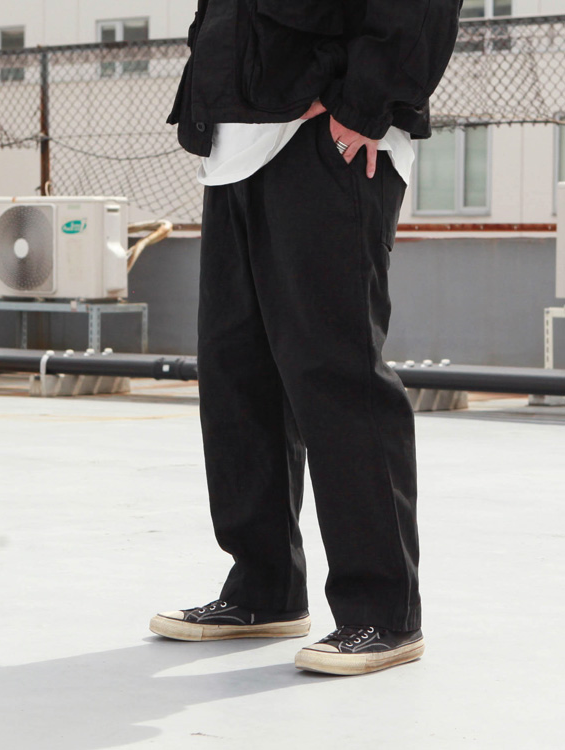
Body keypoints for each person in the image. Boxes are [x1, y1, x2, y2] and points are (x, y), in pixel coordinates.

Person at [149, 0, 462, 676]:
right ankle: (264, 588)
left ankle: (383, 611)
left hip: (328, 137)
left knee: (336, 374)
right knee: (237, 373)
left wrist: (364, 103)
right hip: (237, 142)